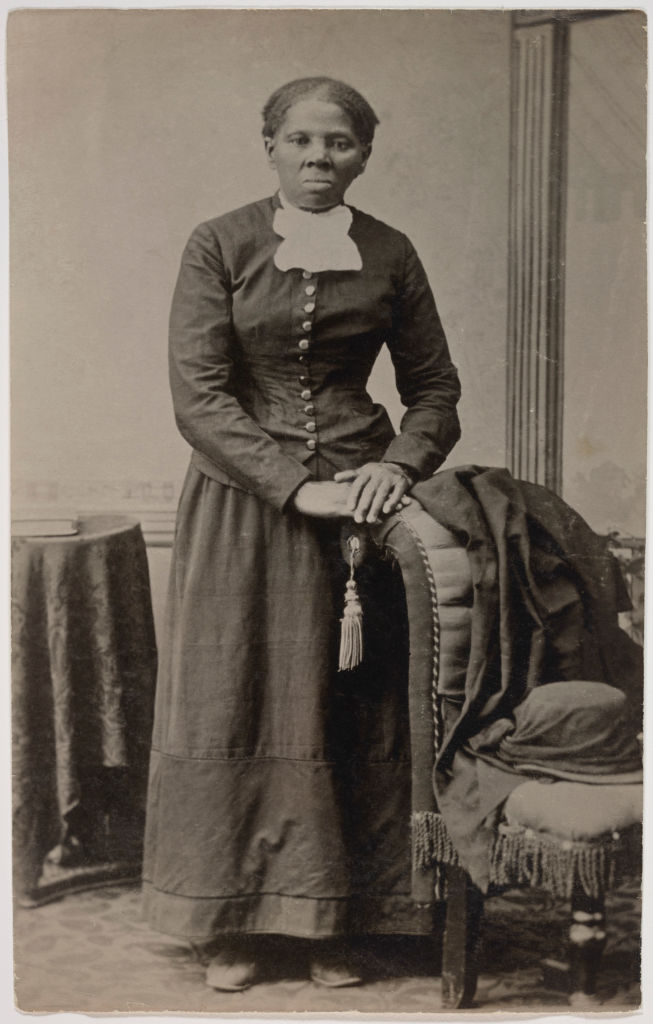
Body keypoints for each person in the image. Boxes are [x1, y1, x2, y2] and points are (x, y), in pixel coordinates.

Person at [142, 76, 461, 992]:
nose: (321, 159)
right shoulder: (221, 242)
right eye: (302, 142)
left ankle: (338, 918)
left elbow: (435, 389)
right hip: (242, 506)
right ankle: (231, 923)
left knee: (347, 700)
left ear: (364, 152)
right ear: (271, 147)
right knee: (236, 697)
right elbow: (199, 396)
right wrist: (293, 487)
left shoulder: (391, 251)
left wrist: (394, 466)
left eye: (341, 144)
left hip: (361, 514)